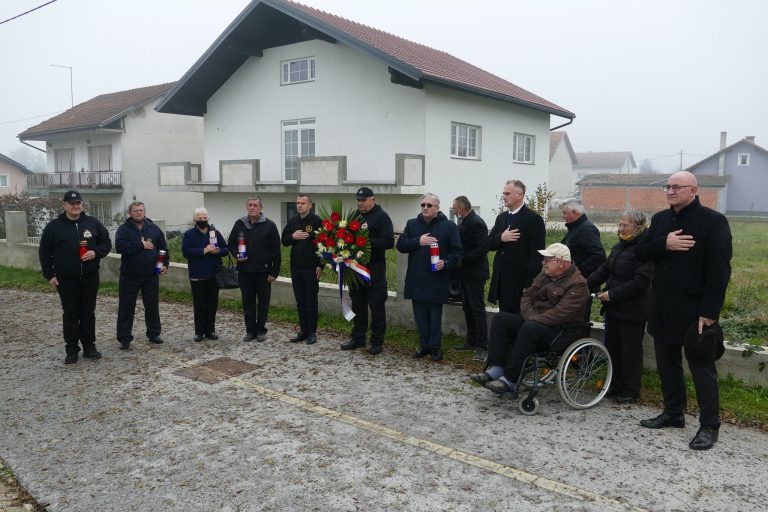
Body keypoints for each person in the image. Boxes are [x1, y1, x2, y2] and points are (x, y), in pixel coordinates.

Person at [635, 171, 732, 450]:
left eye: (677, 187)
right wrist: (664, 244)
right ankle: (673, 412)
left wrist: (710, 311)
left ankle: (709, 426)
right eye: (668, 187)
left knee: (702, 367)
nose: (670, 191)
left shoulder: (713, 221)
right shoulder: (661, 220)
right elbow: (641, 252)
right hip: (663, 306)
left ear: (694, 190)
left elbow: (720, 270)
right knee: (668, 363)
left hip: (695, 310)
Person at [471, 243, 589, 396]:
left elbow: (560, 314)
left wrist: (532, 320)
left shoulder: (578, 284)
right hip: (534, 322)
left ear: (561, 262)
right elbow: (527, 296)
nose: (543, 262)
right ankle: (496, 368)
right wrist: (530, 316)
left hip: (560, 331)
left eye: (547, 259)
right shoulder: (545, 275)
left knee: (530, 328)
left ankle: (510, 381)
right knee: (501, 319)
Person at [587, 210, 654, 403]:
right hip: (614, 308)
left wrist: (613, 294)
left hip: (633, 309)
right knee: (613, 348)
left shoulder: (645, 250)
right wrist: (584, 283)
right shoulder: (619, 247)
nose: (621, 228)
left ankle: (631, 389)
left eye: (625, 225)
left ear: (638, 227)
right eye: (620, 225)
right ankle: (614, 384)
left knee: (630, 352)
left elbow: (641, 281)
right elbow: (605, 270)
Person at [39, 190, 112, 364]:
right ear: (64, 205)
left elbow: (107, 243)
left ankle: (89, 347)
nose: (75, 206)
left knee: (88, 313)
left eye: (78, 203)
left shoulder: (92, 223)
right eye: (72, 203)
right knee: (71, 314)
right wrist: (50, 275)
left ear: (82, 204)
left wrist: (96, 253)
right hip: (66, 279)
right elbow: (44, 252)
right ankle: (71, 349)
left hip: (89, 277)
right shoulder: (54, 227)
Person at [396, 194, 462, 361]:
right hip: (416, 279)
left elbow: (457, 252)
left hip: (436, 279)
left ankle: (435, 348)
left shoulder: (448, 226)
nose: (425, 207)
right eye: (423, 205)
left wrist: (445, 262)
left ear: (437, 208)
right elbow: (401, 246)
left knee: (434, 316)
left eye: (429, 205)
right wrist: (419, 241)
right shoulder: (412, 224)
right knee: (419, 316)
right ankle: (423, 346)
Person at [340, 187, 394, 355]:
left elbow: (389, 242)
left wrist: (366, 242)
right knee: (358, 304)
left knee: (376, 305)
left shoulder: (382, 217)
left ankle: (377, 341)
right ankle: (358, 338)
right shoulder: (355, 216)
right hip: (356, 267)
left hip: (374, 268)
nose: (360, 203)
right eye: (358, 200)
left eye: (363, 200)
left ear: (373, 199)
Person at [115, 201, 168, 350]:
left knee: (152, 306)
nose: (139, 213)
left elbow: (163, 249)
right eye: (136, 211)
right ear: (130, 213)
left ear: (144, 212)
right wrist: (140, 245)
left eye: (141, 210)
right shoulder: (124, 230)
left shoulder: (154, 229)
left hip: (151, 275)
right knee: (126, 307)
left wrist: (165, 265)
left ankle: (154, 334)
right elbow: (120, 247)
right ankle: (124, 338)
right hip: (129, 275)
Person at [488, 180, 546, 313]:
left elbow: (537, 255)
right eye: (503, 193)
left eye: (507, 193)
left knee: (517, 320)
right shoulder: (501, 217)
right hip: (502, 280)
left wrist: (529, 284)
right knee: (504, 318)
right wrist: (501, 238)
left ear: (519, 195)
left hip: (519, 282)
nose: (504, 196)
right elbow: (489, 243)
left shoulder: (533, 219)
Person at [228, 197, 281, 342]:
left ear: (260, 207)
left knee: (263, 303)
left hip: (263, 272)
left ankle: (261, 331)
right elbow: (231, 243)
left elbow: (276, 250)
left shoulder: (269, 226)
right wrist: (237, 254)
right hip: (245, 271)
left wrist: (274, 272)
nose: (252, 208)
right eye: (250, 205)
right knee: (248, 302)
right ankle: (250, 331)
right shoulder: (239, 224)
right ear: (247, 207)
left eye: (255, 205)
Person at [451, 195, 490, 361]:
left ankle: (481, 346)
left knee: (477, 308)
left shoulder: (477, 223)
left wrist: (463, 260)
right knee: (467, 307)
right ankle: (471, 340)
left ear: (461, 208)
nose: (454, 211)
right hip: (465, 273)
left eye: (454, 208)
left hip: (475, 273)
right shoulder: (464, 222)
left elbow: (482, 248)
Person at [182, 207, 229, 342]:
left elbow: (225, 249)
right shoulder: (189, 234)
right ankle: (199, 332)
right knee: (199, 304)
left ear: (208, 219)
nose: (202, 220)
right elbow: (186, 252)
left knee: (212, 304)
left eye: (204, 218)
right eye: (200, 218)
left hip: (214, 275)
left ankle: (210, 330)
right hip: (197, 275)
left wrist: (218, 251)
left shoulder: (215, 233)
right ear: (194, 220)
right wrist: (204, 250)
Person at [281, 193, 323, 345]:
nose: (299, 205)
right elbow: (284, 241)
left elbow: (325, 245)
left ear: (310, 205)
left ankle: (312, 332)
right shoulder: (293, 221)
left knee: (311, 301)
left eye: (303, 203)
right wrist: (293, 236)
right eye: (298, 203)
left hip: (312, 268)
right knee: (300, 301)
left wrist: (321, 265)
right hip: (296, 267)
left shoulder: (317, 221)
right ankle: (303, 330)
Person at [560, 199, 606, 279]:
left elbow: (599, 256)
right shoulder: (575, 227)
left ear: (574, 212)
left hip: (581, 283)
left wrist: (577, 272)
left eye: (565, 213)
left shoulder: (587, 230)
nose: (563, 216)